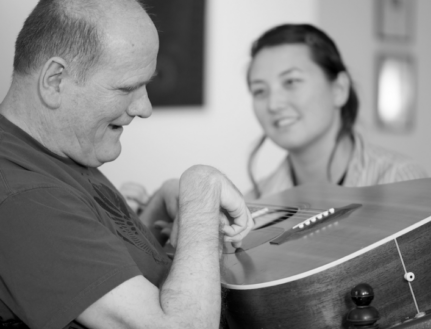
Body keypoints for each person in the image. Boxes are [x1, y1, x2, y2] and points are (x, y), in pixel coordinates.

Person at [0, 1, 253, 328]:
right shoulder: (24, 198)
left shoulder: (57, 152)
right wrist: (201, 190)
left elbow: (93, 272)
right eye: (127, 88)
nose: (144, 108)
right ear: (54, 80)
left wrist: (158, 209)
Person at [245, 24, 427, 200]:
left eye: (291, 82)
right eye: (260, 91)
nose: (273, 104)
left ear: (339, 89)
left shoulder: (400, 179)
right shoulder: (252, 206)